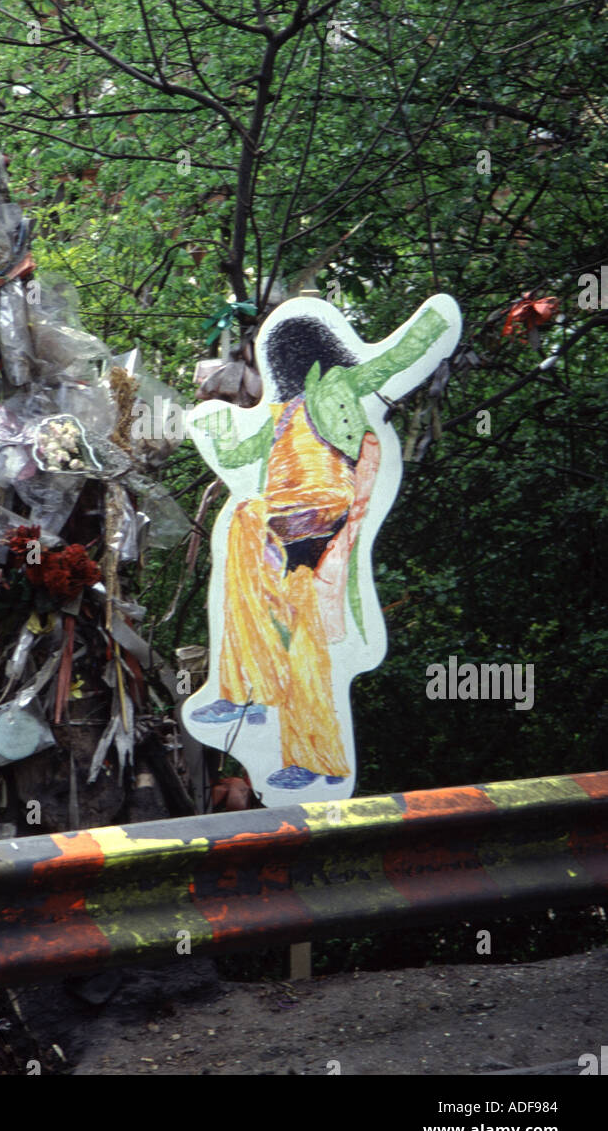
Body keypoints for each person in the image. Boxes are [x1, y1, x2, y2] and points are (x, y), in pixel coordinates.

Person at [187, 296, 459, 793]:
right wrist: (209, 421)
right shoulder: (278, 413)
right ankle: (256, 698)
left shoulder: (338, 386)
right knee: (289, 618)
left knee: (254, 526)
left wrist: (435, 322)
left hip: (320, 511)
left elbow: (392, 361)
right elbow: (236, 451)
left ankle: (291, 731)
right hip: (280, 528)